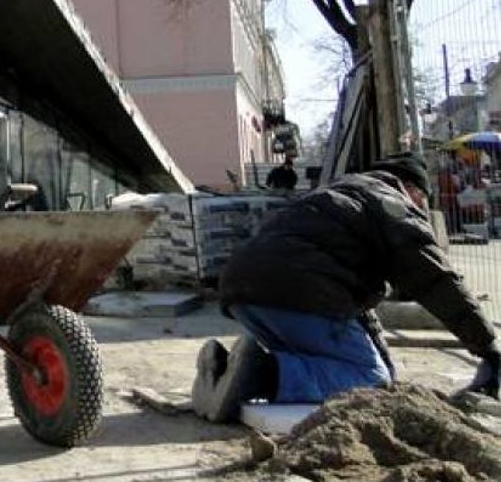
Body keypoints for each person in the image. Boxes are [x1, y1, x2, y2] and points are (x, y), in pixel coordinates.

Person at [194, 152, 501, 422]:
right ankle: (258, 374)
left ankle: (224, 370)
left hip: (242, 290)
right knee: (369, 381)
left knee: (334, 365)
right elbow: (436, 280)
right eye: (422, 198)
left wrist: (385, 365)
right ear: (410, 188)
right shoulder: (392, 204)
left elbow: (359, 307)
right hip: (299, 292)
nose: (422, 207)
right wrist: (488, 347)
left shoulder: (336, 196)